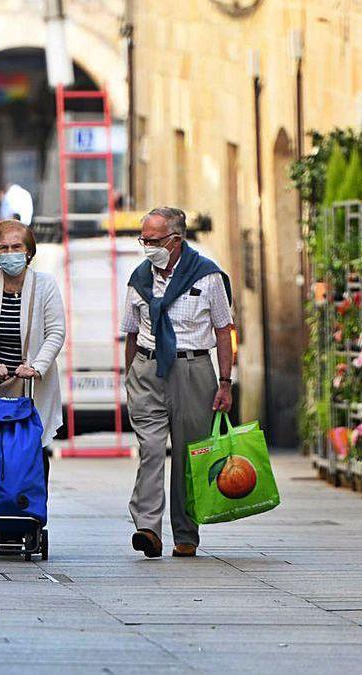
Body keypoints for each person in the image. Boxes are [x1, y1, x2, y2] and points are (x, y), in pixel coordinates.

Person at [122, 207, 234, 559]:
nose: (147, 246)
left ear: (175, 240)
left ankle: (186, 533)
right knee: (151, 450)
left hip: (193, 368)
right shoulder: (139, 278)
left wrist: (226, 381)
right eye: (143, 239)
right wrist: (130, 376)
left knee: (189, 454)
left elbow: (223, 330)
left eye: (153, 240)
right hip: (148, 368)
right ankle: (148, 528)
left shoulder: (208, 276)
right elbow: (129, 332)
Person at [0, 220, 66, 544]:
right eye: (3, 247)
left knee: (32, 451)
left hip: (31, 385)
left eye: (17, 247)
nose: (10, 253)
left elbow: (55, 332)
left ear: (29, 251)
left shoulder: (45, 285)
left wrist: (36, 366)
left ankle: (27, 516)